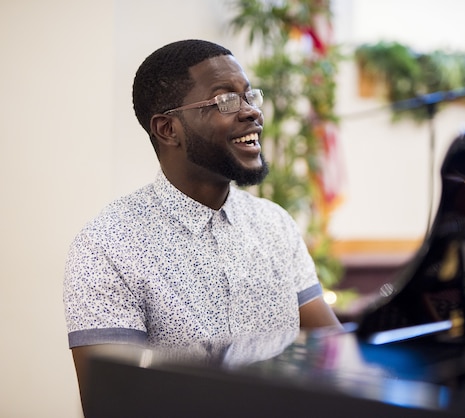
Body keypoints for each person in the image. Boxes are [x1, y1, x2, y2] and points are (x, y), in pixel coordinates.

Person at [63, 39, 341, 402]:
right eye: (225, 100)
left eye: (249, 96)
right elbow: (112, 403)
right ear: (167, 129)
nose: (251, 112)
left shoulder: (275, 224)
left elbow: (332, 355)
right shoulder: (108, 246)